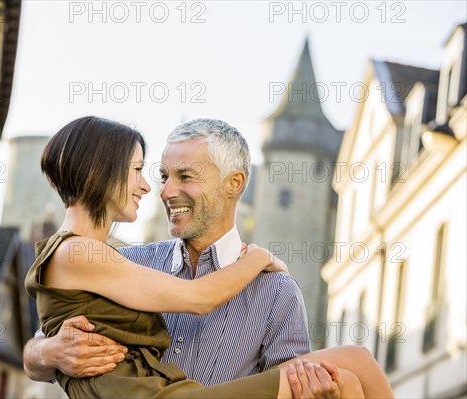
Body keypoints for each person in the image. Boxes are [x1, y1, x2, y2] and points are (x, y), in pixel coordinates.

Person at [25, 116, 394, 398]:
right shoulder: (120, 261)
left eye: (185, 176)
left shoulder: (277, 291)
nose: (163, 190)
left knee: (347, 376)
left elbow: (301, 386)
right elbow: (37, 349)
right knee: (354, 363)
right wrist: (49, 352)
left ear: (234, 184)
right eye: (159, 174)